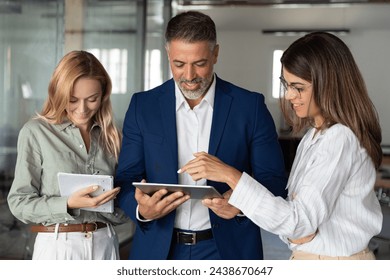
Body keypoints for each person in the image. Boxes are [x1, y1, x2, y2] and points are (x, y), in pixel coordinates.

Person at [179, 31, 383, 260]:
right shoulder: (313, 137)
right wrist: (239, 202)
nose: (289, 95)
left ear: (329, 85)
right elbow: (294, 223)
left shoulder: (340, 138)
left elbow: (297, 224)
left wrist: (230, 175)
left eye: (299, 87)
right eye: (287, 85)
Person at [115, 10, 287, 260]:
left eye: (199, 63)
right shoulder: (143, 106)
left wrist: (241, 204)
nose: (189, 76)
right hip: (157, 251)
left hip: (228, 251)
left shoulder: (250, 107)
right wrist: (142, 208)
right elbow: (126, 178)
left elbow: (273, 180)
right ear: (167, 54)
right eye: (179, 64)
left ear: (215, 53)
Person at [7, 50, 129, 260]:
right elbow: (19, 203)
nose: (82, 109)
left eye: (92, 99)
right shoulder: (36, 132)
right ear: (58, 93)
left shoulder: (113, 136)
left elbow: (122, 204)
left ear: (104, 95)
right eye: (72, 99)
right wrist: (68, 204)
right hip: (58, 247)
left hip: (105, 243)